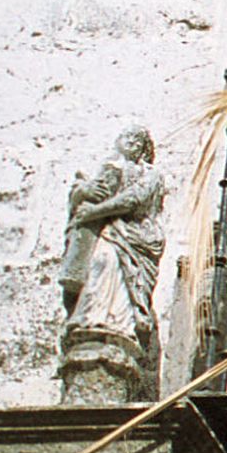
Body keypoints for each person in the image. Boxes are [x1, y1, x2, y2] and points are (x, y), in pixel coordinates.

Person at [59, 126, 165, 390]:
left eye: (138, 141)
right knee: (99, 263)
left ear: (144, 150)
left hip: (137, 236)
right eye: (127, 138)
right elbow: (82, 195)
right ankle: (90, 318)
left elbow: (132, 200)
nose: (131, 143)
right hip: (111, 232)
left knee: (114, 268)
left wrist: (94, 212)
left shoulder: (151, 174)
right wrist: (82, 192)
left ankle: (120, 324)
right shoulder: (110, 167)